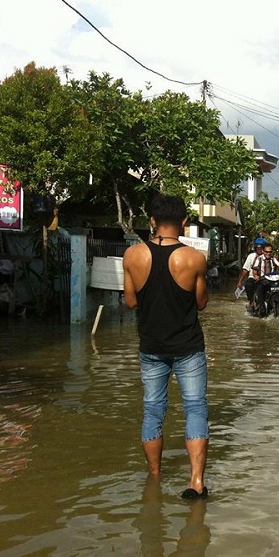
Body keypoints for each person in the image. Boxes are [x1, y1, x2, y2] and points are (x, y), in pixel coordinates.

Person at [123, 193, 210, 500]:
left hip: (151, 345)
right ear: (184, 222)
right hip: (188, 346)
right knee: (195, 408)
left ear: (152, 221)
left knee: (153, 411)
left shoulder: (132, 255)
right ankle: (196, 481)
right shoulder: (194, 259)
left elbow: (131, 301)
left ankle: (155, 478)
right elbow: (201, 304)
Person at [251, 243, 279, 309]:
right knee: (260, 287)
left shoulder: (273, 259)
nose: (268, 253)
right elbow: (255, 270)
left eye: (270, 252)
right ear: (262, 251)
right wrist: (256, 276)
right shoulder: (258, 259)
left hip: (273, 280)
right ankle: (260, 304)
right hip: (262, 280)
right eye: (266, 252)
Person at [236, 237, 266, 311]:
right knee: (248, 284)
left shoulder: (268, 256)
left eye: (261, 248)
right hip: (254, 278)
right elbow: (245, 269)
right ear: (255, 248)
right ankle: (251, 302)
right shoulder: (251, 256)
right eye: (258, 248)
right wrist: (240, 282)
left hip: (266, 278)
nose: (260, 250)